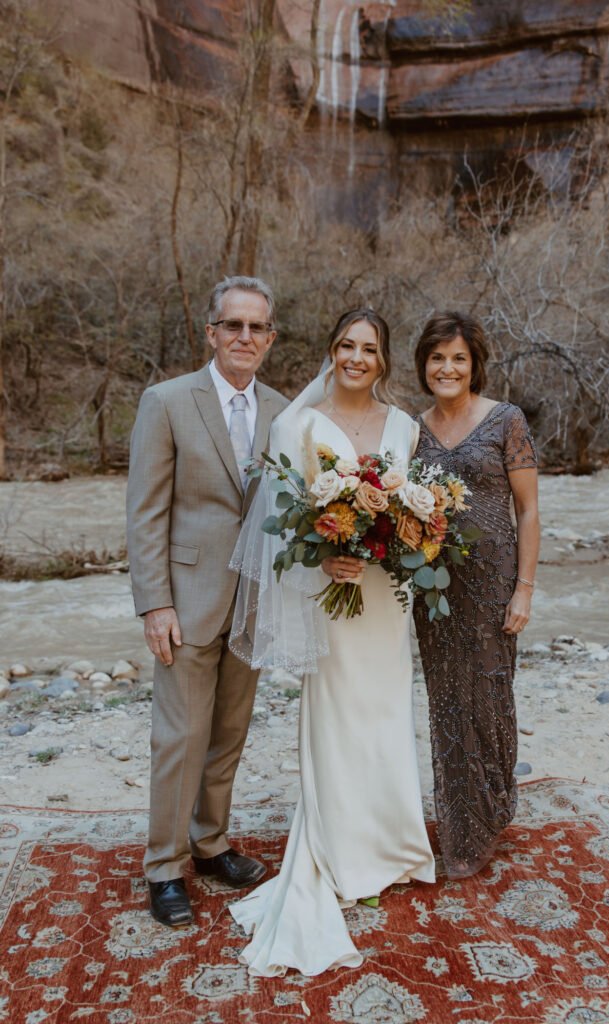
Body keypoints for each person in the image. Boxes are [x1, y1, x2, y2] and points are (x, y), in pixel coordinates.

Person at [227, 309, 435, 976]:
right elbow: (279, 524)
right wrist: (324, 559)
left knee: (385, 714)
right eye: (345, 345)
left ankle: (394, 849)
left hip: (384, 599)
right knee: (339, 716)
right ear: (330, 351)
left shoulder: (405, 427)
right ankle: (340, 851)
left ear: (383, 359)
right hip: (336, 593)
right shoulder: (296, 424)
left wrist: (403, 540)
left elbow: (421, 513)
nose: (355, 357)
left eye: (368, 348)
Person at [126, 275, 288, 928]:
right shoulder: (166, 402)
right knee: (179, 737)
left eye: (257, 327)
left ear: (269, 339)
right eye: (233, 325)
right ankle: (164, 867)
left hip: (254, 602)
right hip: (186, 603)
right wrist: (154, 603)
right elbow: (144, 511)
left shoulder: (284, 410)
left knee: (227, 735)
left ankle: (210, 841)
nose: (244, 337)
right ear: (212, 333)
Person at [411, 311, 540, 879]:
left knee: (489, 698)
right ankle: (461, 830)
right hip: (434, 587)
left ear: (474, 364)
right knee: (447, 703)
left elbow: (529, 509)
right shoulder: (410, 429)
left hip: (493, 585)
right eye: (437, 357)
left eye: (458, 358)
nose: (448, 367)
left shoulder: (505, 420)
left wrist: (524, 590)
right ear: (424, 365)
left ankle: (492, 805)